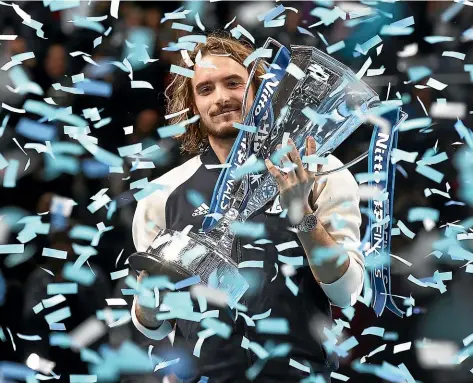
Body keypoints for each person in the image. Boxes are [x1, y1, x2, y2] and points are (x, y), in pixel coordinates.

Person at [130, 31, 364, 382]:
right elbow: (155, 327)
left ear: (260, 92)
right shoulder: (162, 194)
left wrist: (303, 216)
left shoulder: (318, 173)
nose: (221, 98)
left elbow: (345, 292)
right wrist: (148, 301)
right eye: (206, 89)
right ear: (192, 106)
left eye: (233, 83)